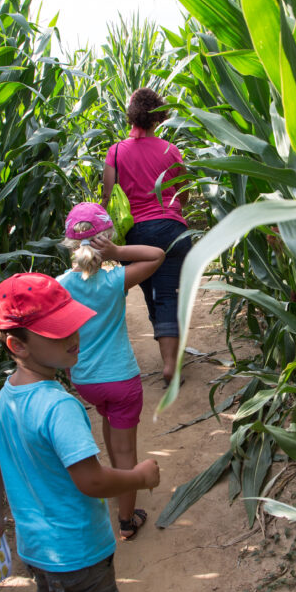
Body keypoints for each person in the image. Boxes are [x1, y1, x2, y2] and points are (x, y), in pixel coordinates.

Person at [0, 272, 161, 592]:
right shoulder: (60, 406)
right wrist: (141, 476)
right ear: (17, 346)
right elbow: (91, 480)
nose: (74, 336)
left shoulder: (6, 397)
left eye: (72, 325)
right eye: (57, 332)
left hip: (37, 552)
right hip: (80, 553)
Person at [57, 202, 165, 540]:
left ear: (71, 246)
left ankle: (116, 490)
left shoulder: (61, 286)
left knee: (107, 421)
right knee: (125, 452)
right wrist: (118, 251)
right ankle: (126, 520)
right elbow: (156, 255)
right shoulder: (116, 280)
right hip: (121, 380)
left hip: (87, 382)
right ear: (105, 241)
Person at [101, 88, 191, 387]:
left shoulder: (115, 152)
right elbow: (184, 191)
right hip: (173, 228)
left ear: (131, 115)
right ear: (159, 116)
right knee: (169, 294)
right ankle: (170, 364)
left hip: (139, 233)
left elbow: (108, 196)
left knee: (154, 294)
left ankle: (168, 360)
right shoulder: (170, 150)